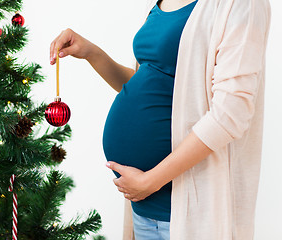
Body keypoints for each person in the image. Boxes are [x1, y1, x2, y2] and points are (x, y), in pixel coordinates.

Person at [50, 0, 271, 239]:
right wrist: (91, 52)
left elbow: (230, 114)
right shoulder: (158, 2)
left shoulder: (242, 3)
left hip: (186, 213)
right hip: (144, 211)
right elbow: (149, 84)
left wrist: (150, 181)